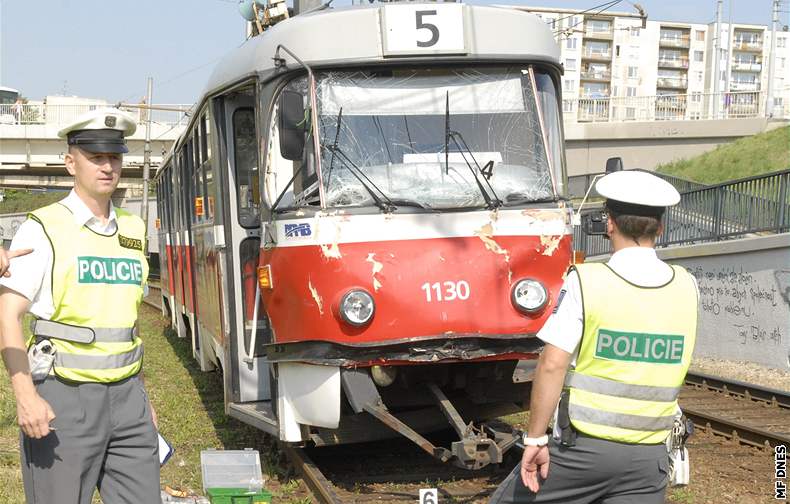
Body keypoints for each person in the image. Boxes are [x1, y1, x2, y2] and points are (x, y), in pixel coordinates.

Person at [490, 170, 698, 504]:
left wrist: (535, 440)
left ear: (610, 224)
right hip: (650, 458)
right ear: (660, 227)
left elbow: (552, 364)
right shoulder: (687, 286)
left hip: (584, 451)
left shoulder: (587, 281)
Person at [0, 108, 160, 504]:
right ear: (71, 162)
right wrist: (25, 395)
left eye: (115, 157)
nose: (108, 167)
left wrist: (143, 401)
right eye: (96, 157)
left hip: (128, 403)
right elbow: (8, 314)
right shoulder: (43, 227)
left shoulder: (133, 229)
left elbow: (128, 323)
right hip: (63, 398)